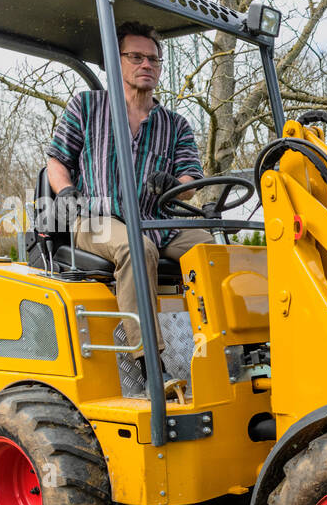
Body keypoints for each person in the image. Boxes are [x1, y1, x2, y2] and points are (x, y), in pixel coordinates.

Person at [45, 21, 211, 378]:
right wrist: (68, 194)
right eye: (136, 56)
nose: (146, 64)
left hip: (156, 222)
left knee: (210, 248)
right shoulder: (86, 107)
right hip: (97, 220)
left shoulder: (175, 124)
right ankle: (148, 362)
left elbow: (190, 180)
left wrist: (174, 184)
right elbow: (57, 160)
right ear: (116, 61)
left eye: (153, 59)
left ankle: (223, 347)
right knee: (136, 249)